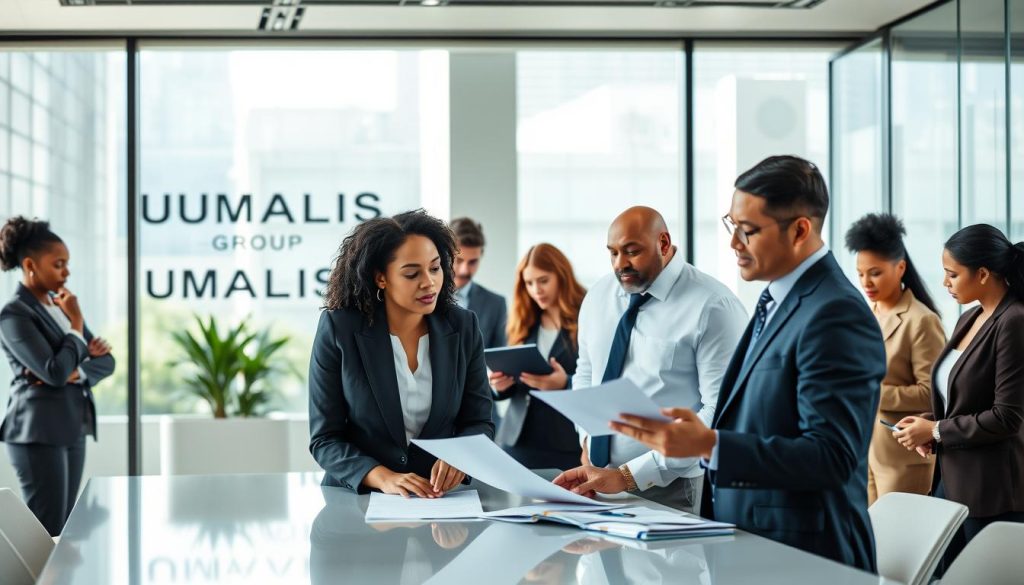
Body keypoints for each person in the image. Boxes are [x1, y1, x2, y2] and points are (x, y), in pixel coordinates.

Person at [608, 156, 885, 572]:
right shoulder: (776, 298)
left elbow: (832, 457)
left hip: (804, 557)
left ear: (800, 230)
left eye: (748, 231)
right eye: (731, 225)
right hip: (754, 543)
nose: (734, 243)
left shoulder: (835, 313)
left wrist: (708, 444)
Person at [552, 206, 747, 514]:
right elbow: (586, 374)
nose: (620, 264)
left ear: (664, 244)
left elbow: (720, 413)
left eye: (632, 252)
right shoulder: (599, 295)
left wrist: (628, 477)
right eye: (613, 253)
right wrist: (588, 442)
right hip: (597, 480)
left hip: (671, 487)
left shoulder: (714, 306)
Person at [308, 209, 494, 499]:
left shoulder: (463, 327)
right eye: (412, 273)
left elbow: (479, 420)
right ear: (381, 278)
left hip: (439, 502)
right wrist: (383, 478)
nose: (429, 282)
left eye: (435, 268)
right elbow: (325, 438)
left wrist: (462, 456)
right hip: (358, 502)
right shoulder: (339, 328)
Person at [893, 224, 1024, 569]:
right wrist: (929, 424)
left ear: (982, 273)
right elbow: (963, 399)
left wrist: (936, 431)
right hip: (952, 484)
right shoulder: (970, 317)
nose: (944, 282)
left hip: (993, 494)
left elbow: (1007, 417)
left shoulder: (1014, 321)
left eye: (952, 274)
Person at [0, 216, 115, 536]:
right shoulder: (14, 315)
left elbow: (106, 362)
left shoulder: (59, 305)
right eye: (59, 264)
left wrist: (75, 371)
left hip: (71, 426)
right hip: (37, 432)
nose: (66, 273)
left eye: (67, 265)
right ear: (30, 265)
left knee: (64, 529)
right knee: (46, 529)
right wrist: (76, 327)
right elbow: (53, 373)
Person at [844, 213, 946, 504]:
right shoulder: (867, 316)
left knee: (900, 545)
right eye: (860, 273)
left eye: (875, 272)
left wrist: (870, 393)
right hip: (866, 453)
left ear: (900, 267)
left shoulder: (921, 321)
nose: (866, 281)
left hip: (905, 459)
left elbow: (931, 393)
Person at [490, 243, 585, 470]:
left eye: (543, 281)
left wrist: (566, 383)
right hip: (517, 440)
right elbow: (514, 381)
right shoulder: (523, 320)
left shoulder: (588, 315)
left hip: (566, 441)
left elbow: (603, 377)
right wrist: (499, 387)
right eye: (529, 283)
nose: (536, 290)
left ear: (562, 276)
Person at [449, 217, 507, 350]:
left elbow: (499, 358)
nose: (464, 270)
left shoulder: (496, 304)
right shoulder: (428, 298)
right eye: (459, 260)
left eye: (473, 262)